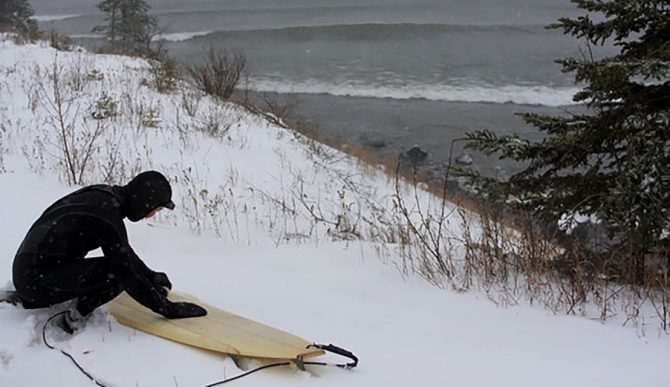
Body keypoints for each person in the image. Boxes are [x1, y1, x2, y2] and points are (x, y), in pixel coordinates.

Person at [7, 170, 207, 333]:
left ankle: (34, 294)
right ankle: (73, 319)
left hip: (29, 269)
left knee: (117, 265)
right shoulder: (107, 217)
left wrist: (150, 276)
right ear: (144, 203)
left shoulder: (104, 196)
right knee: (117, 275)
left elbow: (120, 250)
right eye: (156, 209)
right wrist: (167, 308)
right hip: (35, 280)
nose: (154, 214)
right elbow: (126, 272)